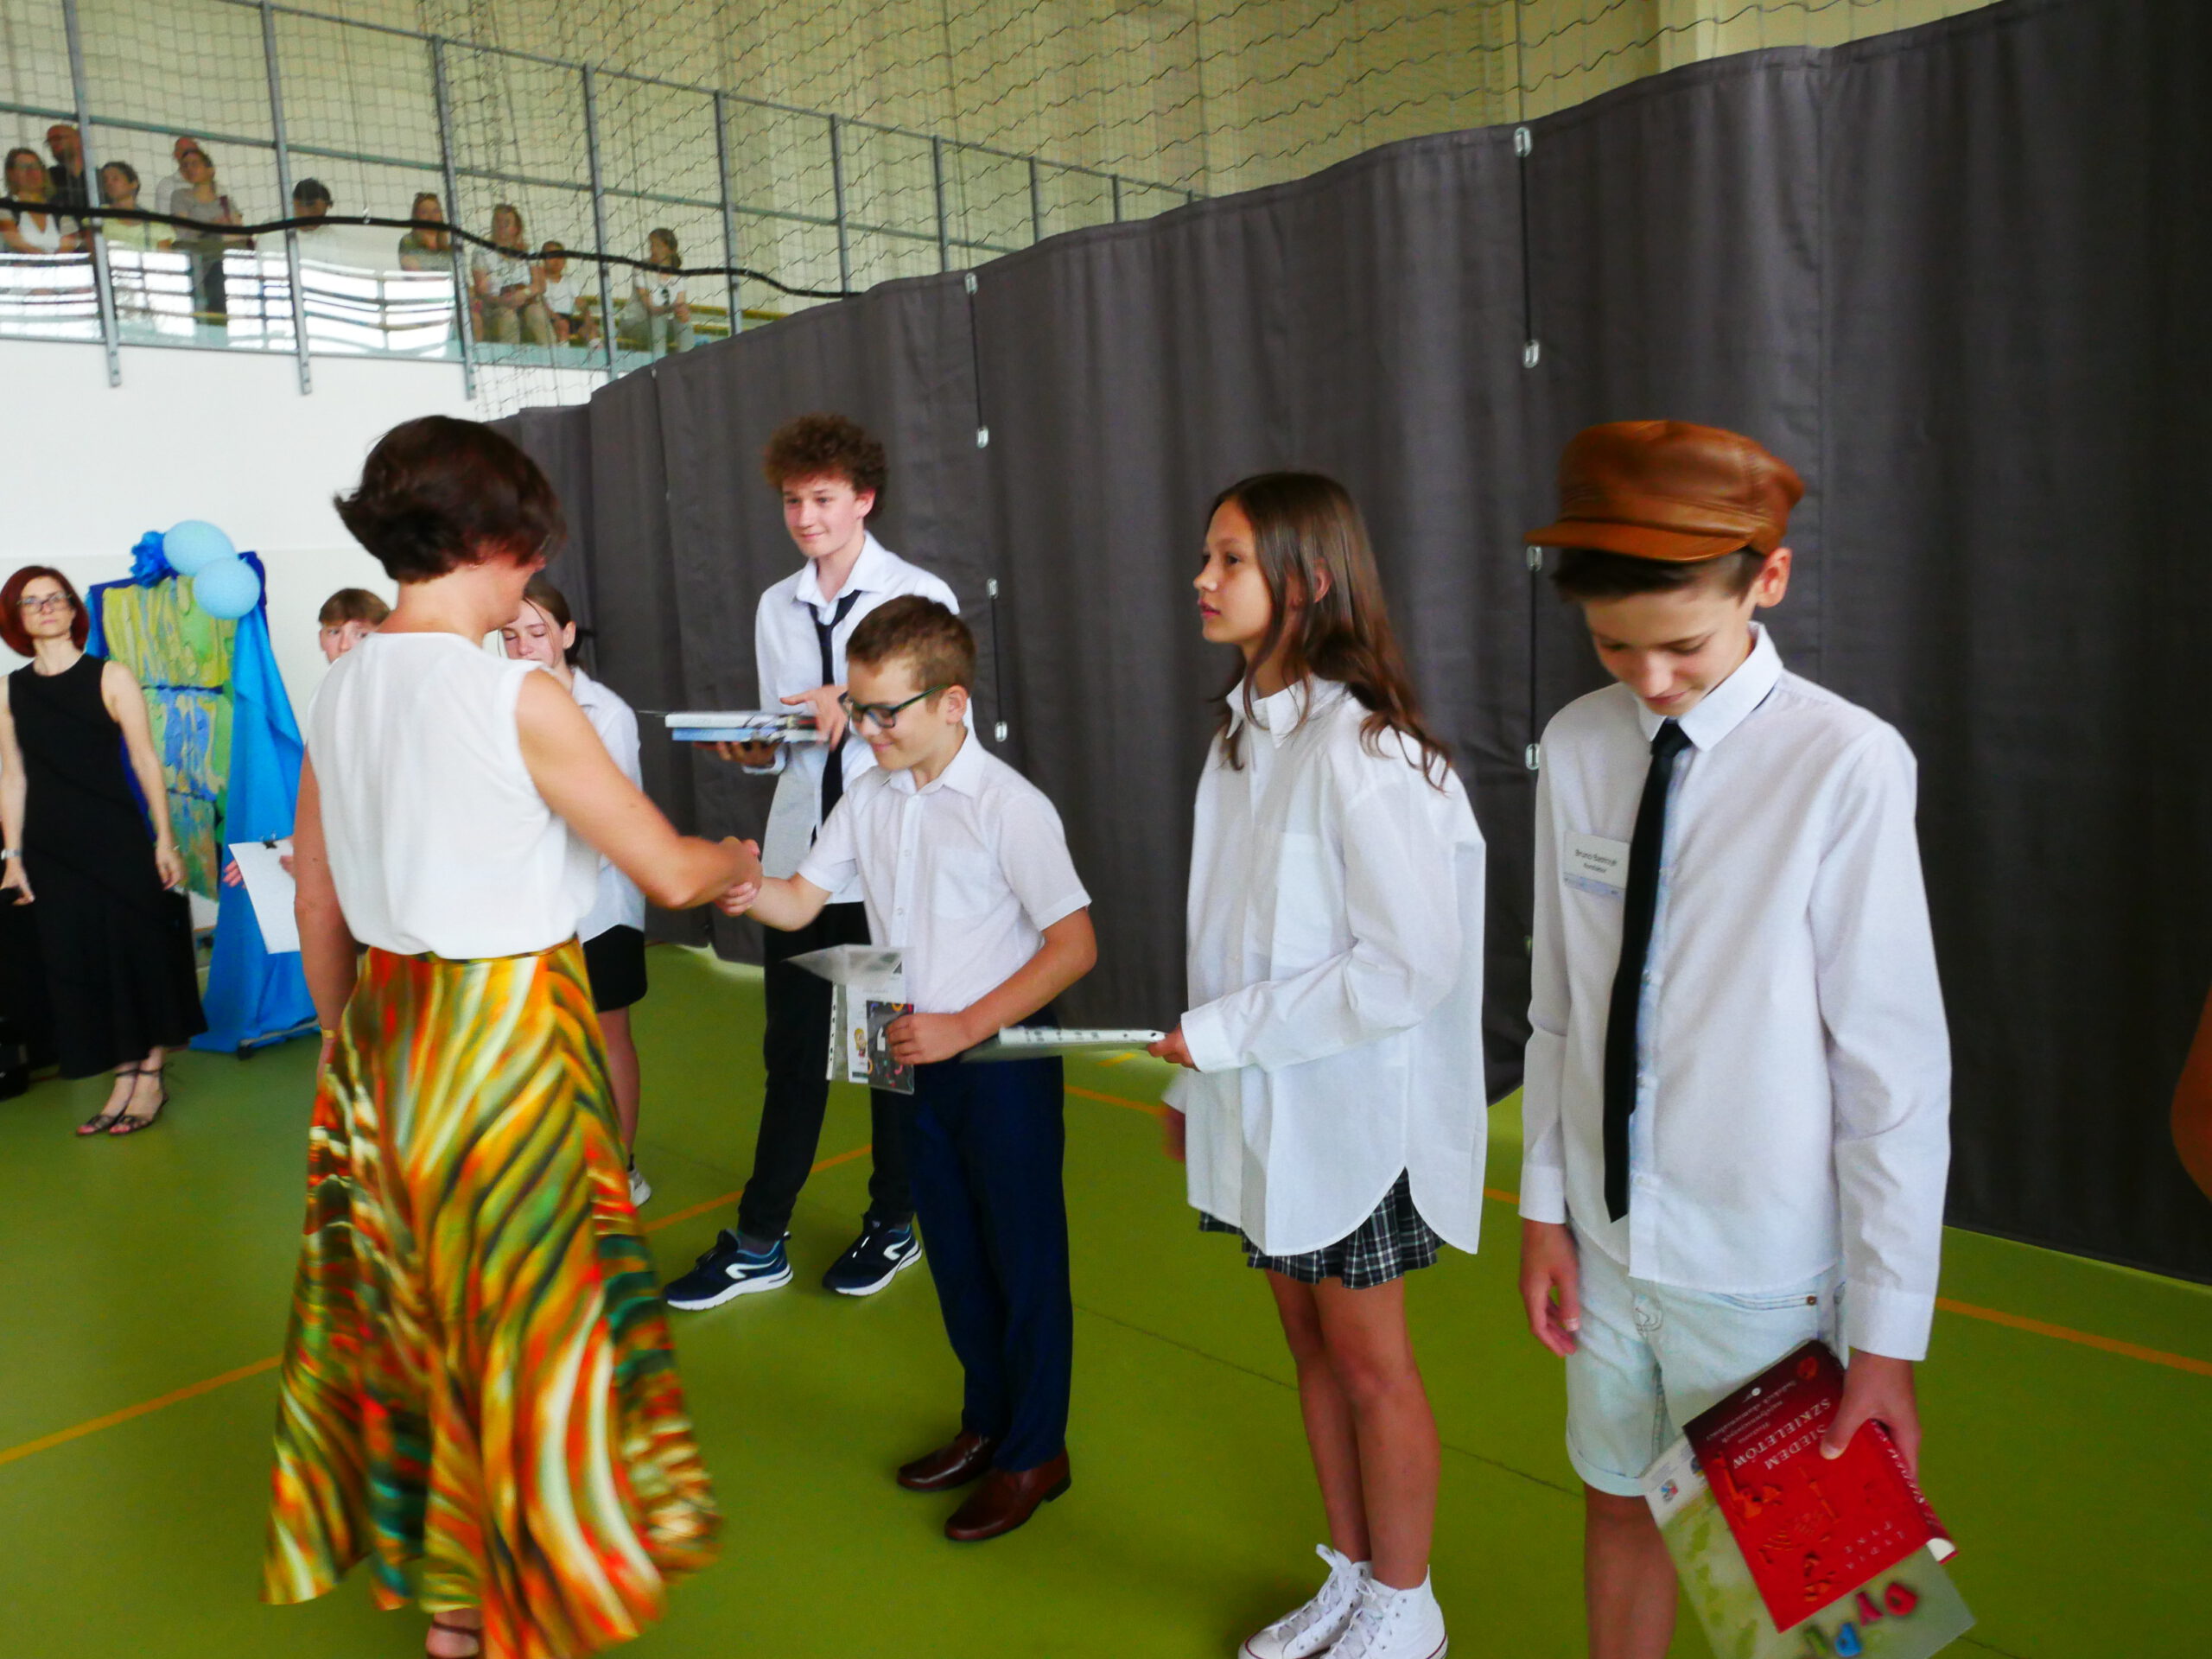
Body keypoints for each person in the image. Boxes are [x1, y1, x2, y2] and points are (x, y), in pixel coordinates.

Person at [260, 416, 754, 1659]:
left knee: (420, 1317)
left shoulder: (343, 683)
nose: (536, 567)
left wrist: (341, 1040)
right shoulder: (513, 694)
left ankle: (453, 1607)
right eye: (530, 544)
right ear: (490, 537)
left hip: (387, 1033)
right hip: (505, 1039)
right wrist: (736, 854)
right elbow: (668, 870)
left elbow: (316, 894)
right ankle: (524, 1601)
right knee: (530, 1328)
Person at [1514, 421, 1950, 1659]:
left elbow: (1892, 1076)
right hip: (1609, 1250)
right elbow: (1559, 1006)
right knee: (1619, 1504)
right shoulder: (1579, 744)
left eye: (1683, 646)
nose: (1649, 679)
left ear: (1770, 579)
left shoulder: (1844, 763)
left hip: (1764, 1272)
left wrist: (1888, 1343)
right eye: (1613, 644)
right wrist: (1546, 1211)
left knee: (1824, 1597)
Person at [1149, 474, 1481, 1659]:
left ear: (1310, 580)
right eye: (1208, 555)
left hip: (1352, 1117)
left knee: (1373, 1366)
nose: (1202, 579)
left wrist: (1221, 1043)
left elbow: (1406, 968)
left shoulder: (1366, 748)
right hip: (1261, 1103)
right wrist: (1200, 1081)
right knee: (1309, 1348)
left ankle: (1408, 1603)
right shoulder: (1240, 738)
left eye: (1230, 559)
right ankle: (1352, 1576)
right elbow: (1228, 940)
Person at [720, 595, 1097, 1542]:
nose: (867, 729)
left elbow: (1074, 945)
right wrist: (737, 882)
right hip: (905, 1048)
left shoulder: (1010, 808)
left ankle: (1035, 1453)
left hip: (995, 1058)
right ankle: (987, 1423)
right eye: (858, 708)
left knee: (1022, 1258)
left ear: (951, 702)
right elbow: (800, 901)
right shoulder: (869, 798)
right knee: (957, 1255)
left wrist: (965, 1024)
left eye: (887, 711)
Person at [664, 413, 957, 1308]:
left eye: (823, 499)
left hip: (889, 862)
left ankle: (894, 1223)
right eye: (793, 500)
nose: (805, 517)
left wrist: (854, 704)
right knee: (790, 1053)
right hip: (802, 863)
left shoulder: (916, 594)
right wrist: (757, 748)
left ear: (863, 499)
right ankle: (760, 1241)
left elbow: (944, 734)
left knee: (884, 1056)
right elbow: (793, 740)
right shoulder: (774, 606)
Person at [0, 566, 204, 1135]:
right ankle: (123, 1076)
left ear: (73, 609)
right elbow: (12, 778)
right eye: (32, 601)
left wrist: (165, 839)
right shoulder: (9, 690)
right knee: (84, 963)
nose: (46, 607)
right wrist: (12, 858)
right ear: (16, 618)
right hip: (51, 852)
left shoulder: (111, 676)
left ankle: (151, 1077)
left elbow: (144, 759)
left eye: (56, 597)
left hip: (116, 841)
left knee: (136, 954)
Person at [500, 575, 656, 1209]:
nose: (524, 648)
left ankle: (621, 1166)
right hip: (529, 909)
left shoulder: (606, 713)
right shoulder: (499, 706)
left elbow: (618, 821)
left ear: (566, 635)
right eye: (510, 636)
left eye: (537, 633)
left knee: (606, 1034)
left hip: (600, 908)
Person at [168, 145, 241, 323]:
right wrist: (212, 226)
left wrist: (222, 229)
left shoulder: (225, 202)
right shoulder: (180, 196)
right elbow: (181, 231)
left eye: (195, 164)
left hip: (223, 263)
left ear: (210, 170)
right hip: (197, 262)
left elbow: (241, 233)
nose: (189, 168)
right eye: (185, 165)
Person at [470, 202, 551, 347]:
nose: (501, 225)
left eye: (506, 222)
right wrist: (502, 301)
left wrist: (523, 294)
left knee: (537, 314)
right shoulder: (481, 251)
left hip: (527, 301)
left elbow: (540, 285)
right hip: (495, 306)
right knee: (508, 317)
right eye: (497, 221)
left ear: (516, 228)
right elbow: (481, 290)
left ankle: (551, 357)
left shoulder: (529, 251)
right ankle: (509, 359)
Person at [615, 227, 692, 357]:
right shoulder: (641, 267)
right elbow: (650, 308)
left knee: (684, 321)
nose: (652, 250)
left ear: (670, 250)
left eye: (657, 246)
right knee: (658, 317)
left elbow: (680, 305)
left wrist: (683, 312)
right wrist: (673, 308)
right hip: (635, 323)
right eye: (651, 245)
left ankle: (688, 362)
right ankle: (658, 363)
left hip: (662, 327)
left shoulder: (679, 274)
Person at [2, 147, 80, 256]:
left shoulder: (60, 208)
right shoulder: (5, 207)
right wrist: (49, 262)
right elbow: (17, 243)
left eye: (35, 166)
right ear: (11, 174)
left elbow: (68, 245)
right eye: (23, 167)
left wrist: (50, 262)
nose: (31, 172)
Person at [535, 240, 593, 346]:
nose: (557, 260)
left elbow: (581, 303)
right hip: (548, 318)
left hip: (567, 317)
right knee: (562, 328)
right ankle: (563, 355)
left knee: (592, 330)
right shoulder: (539, 280)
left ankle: (597, 352)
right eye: (552, 256)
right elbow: (541, 303)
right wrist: (556, 318)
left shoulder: (570, 281)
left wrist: (588, 318)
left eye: (560, 256)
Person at [395, 191, 451, 270]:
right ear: (417, 216)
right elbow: (414, 272)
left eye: (435, 211)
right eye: (425, 212)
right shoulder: (408, 241)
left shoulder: (450, 243)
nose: (431, 217)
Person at [155, 136, 202, 220]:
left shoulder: (215, 187)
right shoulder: (167, 185)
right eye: (184, 151)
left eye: (193, 151)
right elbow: (164, 220)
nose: (189, 155)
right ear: (176, 155)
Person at [43, 123, 87, 213]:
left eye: (58, 138)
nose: (53, 144)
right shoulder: (48, 177)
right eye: (49, 142)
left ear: (78, 140)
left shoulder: (102, 177)